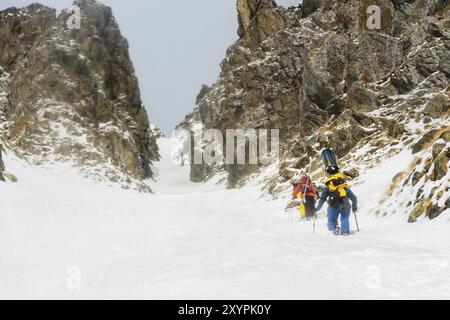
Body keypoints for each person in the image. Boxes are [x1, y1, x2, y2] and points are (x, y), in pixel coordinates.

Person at [316, 167, 358, 235]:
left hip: (333, 205)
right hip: (345, 205)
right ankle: (345, 231)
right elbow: (353, 197)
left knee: (331, 220)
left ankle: (334, 229)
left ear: (329, 174)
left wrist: (317, 208)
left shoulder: (329, 186)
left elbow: (322, 198)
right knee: (344, 218)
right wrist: (354, 206)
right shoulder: (343, 184)